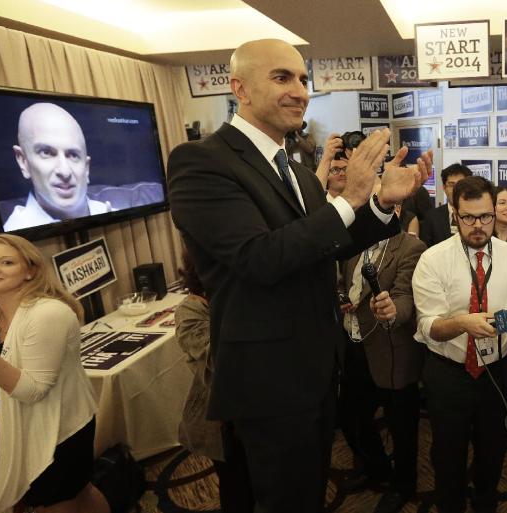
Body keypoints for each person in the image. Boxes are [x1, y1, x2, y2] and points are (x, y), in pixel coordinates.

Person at [166, 38, 430, 513]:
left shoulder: (295, 169)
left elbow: (329, 244)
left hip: (313, 370)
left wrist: (380, 204)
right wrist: (349, 199)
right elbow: (259, 257)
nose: (301, 91)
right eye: (282, 77)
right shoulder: (201, 162)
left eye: (304, 79)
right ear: (239, 88)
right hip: (268, 380)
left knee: (303, 492)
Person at [0, 234, 109, 513]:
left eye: (6, 262)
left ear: (31, 270)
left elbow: (33, 391)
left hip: (60, 427)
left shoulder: (47, 313)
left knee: (59, 501)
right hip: (27, 424)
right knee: (78, 493)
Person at [412, 176, 507, 513]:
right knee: (447, 455)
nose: (478, 226)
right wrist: (462, 324)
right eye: (468, 217)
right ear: (454, 213)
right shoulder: (433, 260)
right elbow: (428, 326)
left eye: (485, 216)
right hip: (448, 372)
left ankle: (486, 504)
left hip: (498, 371)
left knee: (492, 451)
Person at [339, 230, 426, 513]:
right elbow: (347, 283)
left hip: (392, 350)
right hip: (355, 344)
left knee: (401, 424)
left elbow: (405, 297)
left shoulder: (411, 246)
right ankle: (376, 469)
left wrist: (393, 311)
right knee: (351, 415)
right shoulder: (353, 243)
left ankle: (403, 485)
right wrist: (341, 297)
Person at [174, 252, 253, 513]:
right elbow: (217, 361)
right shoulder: (191, 309)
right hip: (222, 420)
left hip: (256, 409)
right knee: (236, 486)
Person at [4, 102, 114, 231]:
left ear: (86, 168)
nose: (64, 171)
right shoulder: (12, 241)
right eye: (46, 153)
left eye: (73, 155)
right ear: (23, 161)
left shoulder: (115, 214)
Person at [420, 164, 471, 247]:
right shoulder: (431, 217)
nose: (456, 189)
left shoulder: (478, 215)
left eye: (461, 184)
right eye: (451, 185)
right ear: (444, 187)